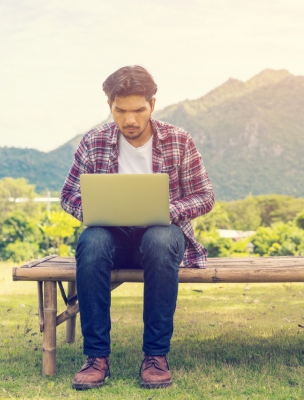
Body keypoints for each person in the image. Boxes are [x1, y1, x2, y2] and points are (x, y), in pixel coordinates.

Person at [60, 65, 214, 390]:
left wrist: (166, 211)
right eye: (121, 111)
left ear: (152, 105)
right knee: (92, 242)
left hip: (161, 235)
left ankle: (156, 356)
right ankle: (96, 357)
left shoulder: (179, 140)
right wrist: (95, 210)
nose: (130, 120)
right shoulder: (94, 141)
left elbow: (205, 196)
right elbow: (68, 195)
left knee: (160, 239)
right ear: (110, 107)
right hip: (112, 238)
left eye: (138, 110)